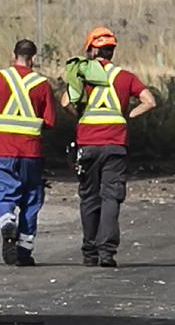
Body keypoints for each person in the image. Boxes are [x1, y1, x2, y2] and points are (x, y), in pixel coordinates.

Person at [61, 26, 157, 268]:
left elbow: (65, 103)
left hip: (88, 143)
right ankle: (107, 253)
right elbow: (150, 101)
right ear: (111, 51)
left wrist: (80, 115)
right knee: (111, 197)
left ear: (92, 50)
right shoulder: (126, 77)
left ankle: (89, 252)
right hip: (115, 144)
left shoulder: (82, 75)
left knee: (89, 198)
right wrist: (128, 116)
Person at [0, 39, 57, 266]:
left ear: (13, 55)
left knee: (4, 193)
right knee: (31, 199)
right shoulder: (42, 84)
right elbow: (50, 120)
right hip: (32, 153)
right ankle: (24, 252)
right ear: (33, 58)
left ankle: (7, 220)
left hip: (3, 151)